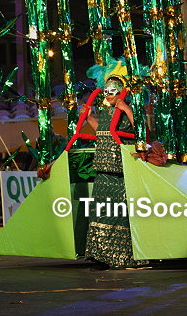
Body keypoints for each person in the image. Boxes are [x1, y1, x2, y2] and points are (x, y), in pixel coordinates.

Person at [83, 76, 148, 270]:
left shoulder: (129, 109)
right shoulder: (105, 111)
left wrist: (126, 109)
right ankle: (99, 255)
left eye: (113, 91)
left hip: (119, 169)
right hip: (102, 168)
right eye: (106, 91)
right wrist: (88, 118)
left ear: (121, 92)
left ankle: (120, 257)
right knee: (100, 212)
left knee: (118, 214)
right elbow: (102, 133)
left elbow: (142, 129)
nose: (108, 95)